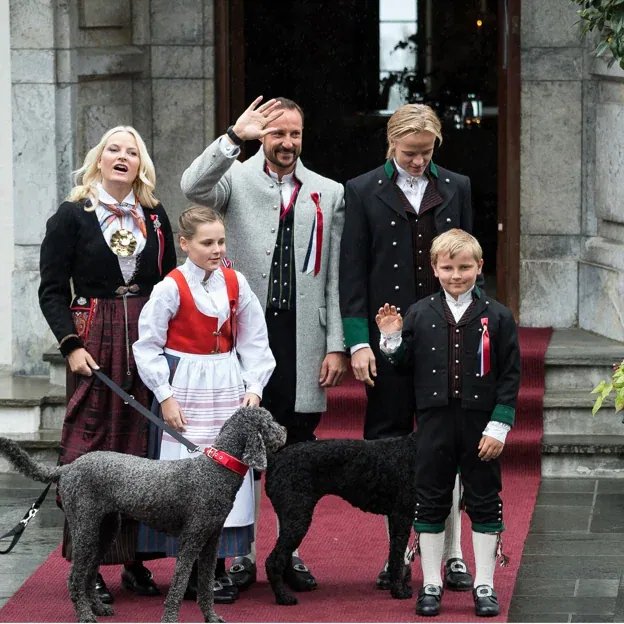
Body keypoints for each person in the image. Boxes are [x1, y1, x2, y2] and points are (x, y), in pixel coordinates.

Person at [180, 96, 347, 591]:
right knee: (237, 451)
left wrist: (336, 343)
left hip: (303, 337)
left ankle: (286, 553)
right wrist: (234, 136)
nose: (287, 143)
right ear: (262, 138)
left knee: (295, 453)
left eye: (294, 134)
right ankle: (238, 558)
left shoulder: (329, 192)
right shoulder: (235, 179)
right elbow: (193, 185)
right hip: (243, 335)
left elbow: (335, 274)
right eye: (277, 134)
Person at [339, 103, 475, 590]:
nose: (418, 162)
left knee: (450, 442)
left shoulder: (456, 185)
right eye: (409, 153)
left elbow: (468, 258)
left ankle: (455, 553)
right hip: (386, 334)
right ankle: (395, 555)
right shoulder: (362, 190)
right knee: (389, 442)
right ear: (391, 145)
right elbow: (351, 272)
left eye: (426, 153)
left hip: (446, 333)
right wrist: (358, 343)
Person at [38, 126, 177, 603]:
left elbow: (169, 282)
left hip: (144, 332)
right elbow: (52, 289)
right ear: (98, 160)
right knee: (92, 449)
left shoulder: (155, 216)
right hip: (94, 333)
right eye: (113, 150)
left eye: (132, 152)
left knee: (142, 447)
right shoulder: (72, 216)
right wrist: (71, 344)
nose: (122, 157)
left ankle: (135, 560)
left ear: (141, 164)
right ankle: (88, 564)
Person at [132, 205, 276, 603]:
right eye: (207, 242)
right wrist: (165, 395)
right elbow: (146, 347)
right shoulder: (170, 287)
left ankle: (218, 565)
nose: (217, 249)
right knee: (187, 474)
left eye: (221, 241)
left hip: (227, 383)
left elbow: (255, 342)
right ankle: (193, 567)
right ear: (185, 243)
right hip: (187, 384)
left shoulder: (235, 282)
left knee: (226, 471)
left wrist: (254, 388)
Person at [376, 229, 521, 617]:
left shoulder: (499, 316)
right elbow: (403, 364)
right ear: (435, 269)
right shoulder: (420, 312)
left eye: (464, 267)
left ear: (479, 267)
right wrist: (391, 340)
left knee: (485, 501)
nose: (456, 275)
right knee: (431, 500)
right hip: (434, 422)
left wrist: (500, 425)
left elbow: (510, 375)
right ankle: (431, 584)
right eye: (448, 267)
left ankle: (485, 584)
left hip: (480, 426)